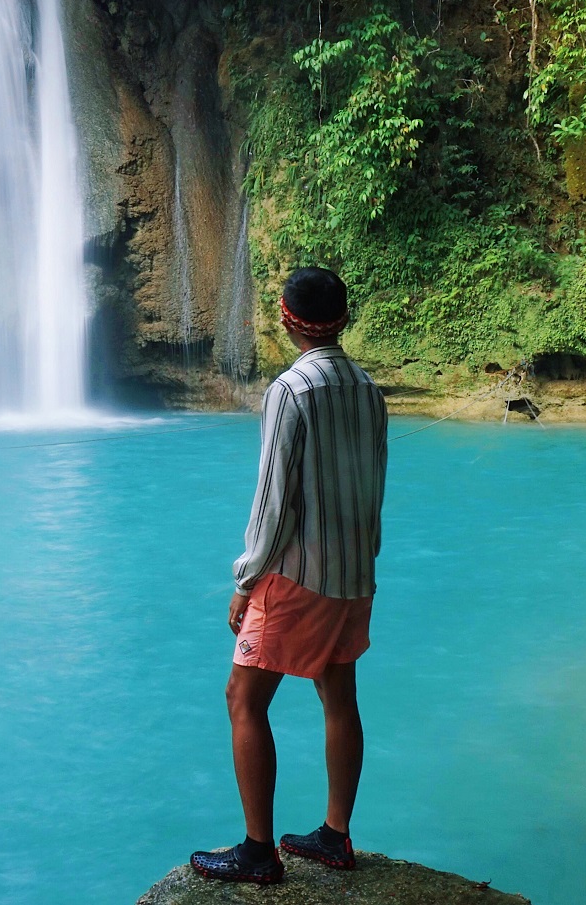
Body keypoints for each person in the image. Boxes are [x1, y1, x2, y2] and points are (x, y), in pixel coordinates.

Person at [190, 266, 388, 885]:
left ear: (286, 317)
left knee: (242, 698)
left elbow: (275, 503)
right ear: (344, 319)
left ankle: (257, 852)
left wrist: (248, 578)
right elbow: (374, 483)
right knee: (339, 697)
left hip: (298, 575)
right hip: (354, 572)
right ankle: (335, 836)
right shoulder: (367, 387)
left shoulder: (290, 391)